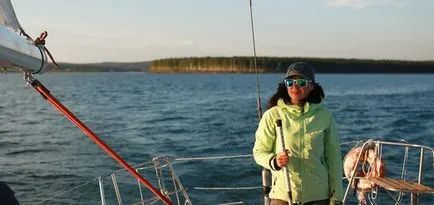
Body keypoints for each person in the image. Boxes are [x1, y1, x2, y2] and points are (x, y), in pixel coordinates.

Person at [253, 62, 343, 205]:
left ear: (311, 86)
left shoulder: (325, 117)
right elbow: (259, 152)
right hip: (282, 195)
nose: (295, 87)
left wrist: (336, 197)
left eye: (301, 82)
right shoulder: (272, 115)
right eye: (290, 82)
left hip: (319, 196)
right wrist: (275, 161)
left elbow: (334, 161)